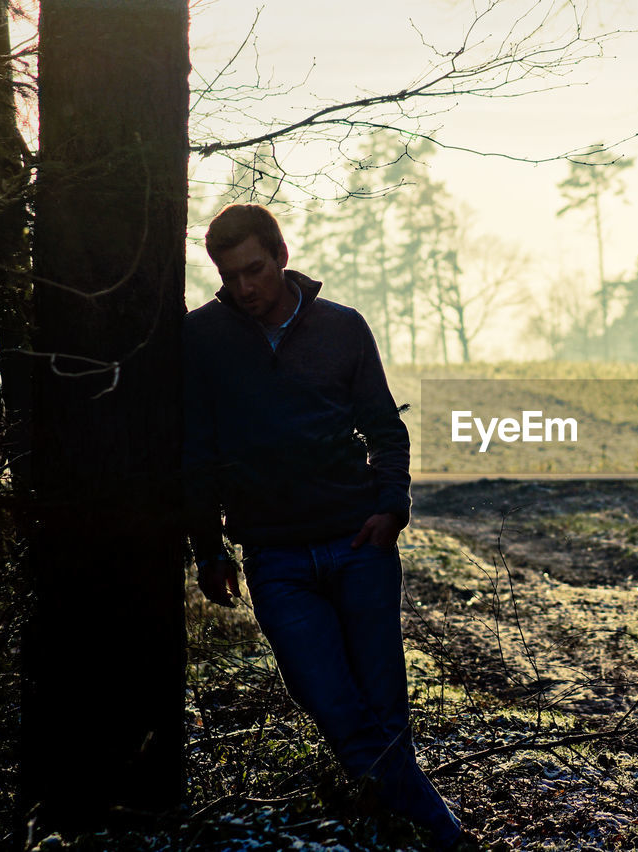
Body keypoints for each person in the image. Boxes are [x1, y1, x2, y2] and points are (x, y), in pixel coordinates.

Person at [182, 204, 464, 848]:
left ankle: (393, 826)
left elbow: (385, 429)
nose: (245, 287)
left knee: (385, 705)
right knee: (332, 702)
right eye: (230, 277)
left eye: (254, 269)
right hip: (275, 559)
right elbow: (193, 453)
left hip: (358, 543)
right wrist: (207, 550)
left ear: (281, 255)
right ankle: (440, 830)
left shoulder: (342, 327)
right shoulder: (201, 339)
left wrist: (391, 509)